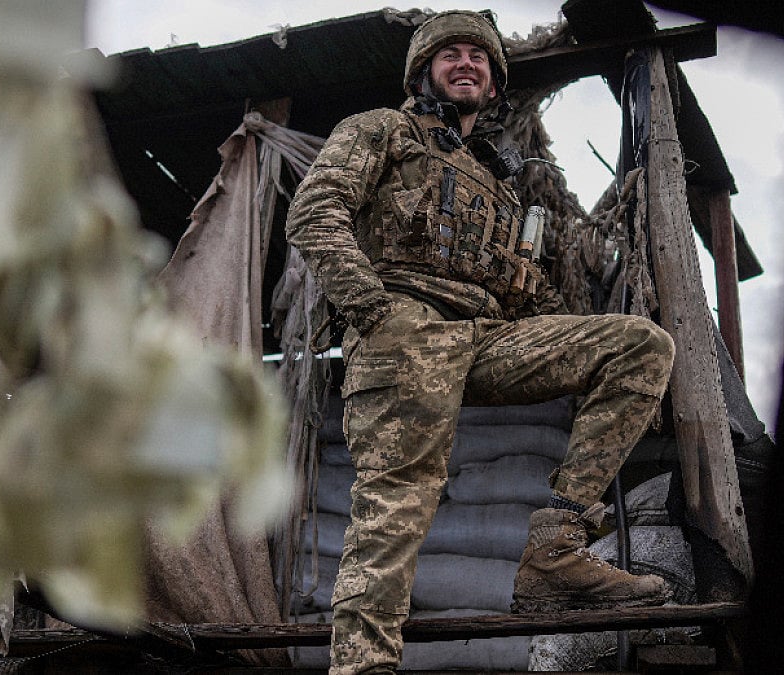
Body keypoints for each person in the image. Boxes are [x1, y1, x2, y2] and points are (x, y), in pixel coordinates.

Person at [285, 9, 676, 674]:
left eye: (479, 57)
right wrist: (375, 310)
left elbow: (526, 292)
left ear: (494, 84)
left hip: (485, 337)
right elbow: (314, 212)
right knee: (393, 516)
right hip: (404, 331)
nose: (465, 63)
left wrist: (555, 313)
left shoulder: (499, 184)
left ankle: (555, 545)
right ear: (422, 70)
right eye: (450, 54)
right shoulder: (382, 130)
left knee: (639, 346)